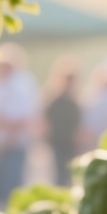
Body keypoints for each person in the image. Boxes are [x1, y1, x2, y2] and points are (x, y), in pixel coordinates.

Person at [0, 43, 40, 203]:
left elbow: (26, 119)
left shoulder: (23, 84)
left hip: (13, 146)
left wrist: (2, 124)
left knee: (11, 192)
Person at [43, 56, 82, 185]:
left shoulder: (74, 100)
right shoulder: (56, 99)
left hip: (70, 142)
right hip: (58, 141)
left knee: (70, 173)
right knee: (60, 174)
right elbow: (47, 120)